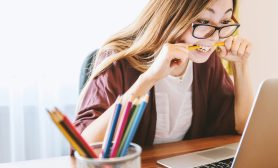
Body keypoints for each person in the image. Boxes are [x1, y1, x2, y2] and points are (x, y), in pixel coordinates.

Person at [74, 0, 253, 147]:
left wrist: (240, 66)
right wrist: (149, 78)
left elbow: (242, 125)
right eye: (204, 22)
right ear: (172, 16)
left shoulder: (206, 62)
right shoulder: (118, 59)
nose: (215, 37)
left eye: (224, 22)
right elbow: (86, 146)